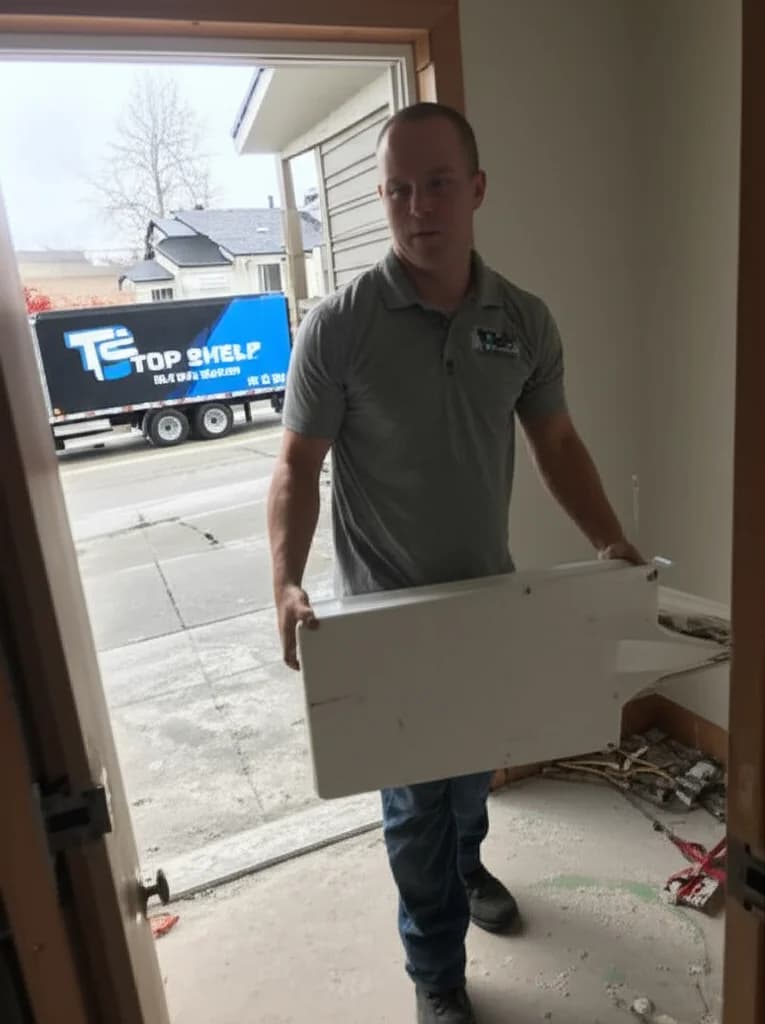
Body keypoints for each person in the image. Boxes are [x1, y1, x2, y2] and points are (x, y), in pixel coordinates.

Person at [267, 101, 643, 1024]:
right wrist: (282, 580)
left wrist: (610, 542)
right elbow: (296, 466)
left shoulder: (521, 320)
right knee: (412, 806)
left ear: (475, 190)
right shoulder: (340, 327)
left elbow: (554, 440)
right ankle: (434, 973)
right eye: (397, 188)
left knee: (472, 766)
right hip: (385, 620)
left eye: (437, 183)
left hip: (486, 602)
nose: (416, 206)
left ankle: (468, 862)